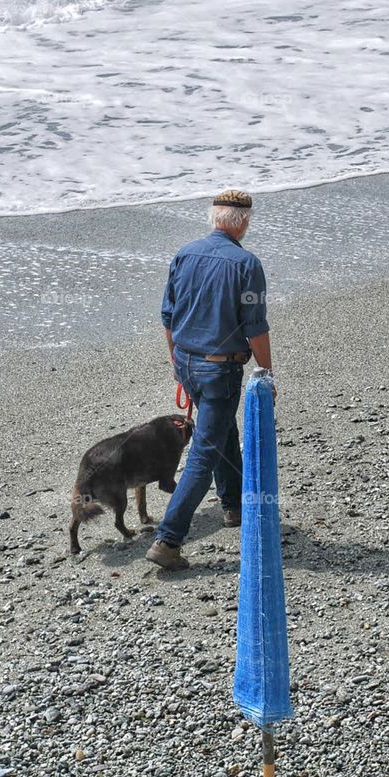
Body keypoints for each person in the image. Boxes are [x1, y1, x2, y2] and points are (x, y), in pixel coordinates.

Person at [146, 188, 274, 571]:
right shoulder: (246, 264)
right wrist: (266, 373)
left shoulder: (184, 254)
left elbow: (168, 317)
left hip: (186, 359)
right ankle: (168, 539)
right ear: (245, 222)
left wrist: (176, 364)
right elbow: (255, 326)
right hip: (219, 367)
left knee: (220, 432)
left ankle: (233, 505)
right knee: (204, 451)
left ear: (213, 218)